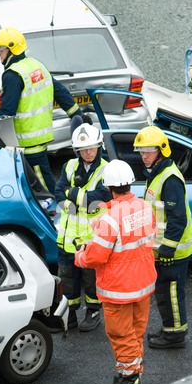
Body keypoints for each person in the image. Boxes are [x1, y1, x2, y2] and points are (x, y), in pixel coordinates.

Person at [75, 160, 157, 384]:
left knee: (122, 335)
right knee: (135, 332)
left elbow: (96, 257)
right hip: (143, 284)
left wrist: (80, 255)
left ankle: (130, 381)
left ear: (109, 188)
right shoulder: (145, 207)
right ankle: (129, 371)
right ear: (130, 183)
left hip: (119, 289)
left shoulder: (109, 219)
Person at [0, 27, 90, 194]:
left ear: (12, 49)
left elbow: (8, 110)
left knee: (42, 187)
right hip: (38, 137)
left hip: (28, 142)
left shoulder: (12, 75)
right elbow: (59, 91)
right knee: (36, 181)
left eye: (0, 49)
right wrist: (76, 113)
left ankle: (56, 212)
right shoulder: (36, 66)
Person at [133, 125, 192, 349]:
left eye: (149, 150)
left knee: (171, 291)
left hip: (174, 251)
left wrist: (168, 249)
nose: (144, 155)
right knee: (164, 291)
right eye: (141, 151)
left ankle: (175, 335)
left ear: (162, 150)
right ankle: (169, 326)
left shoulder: (169, 179)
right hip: (162, 249)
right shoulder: (156, 173)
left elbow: (177, 219)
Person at [55, 123, 112, 332]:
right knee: (67, 279)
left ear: (99, 146)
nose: (88, 152)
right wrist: (77, 201)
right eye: (83, 148)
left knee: (92, 280)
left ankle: (93, 312)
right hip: (68, 238)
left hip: (92, 238)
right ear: (77, 149)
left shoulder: (106, 169)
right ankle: (69, 316)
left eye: (92, 147)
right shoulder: (69, 166)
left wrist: (73, 195)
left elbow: (101, 198)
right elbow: (58, 193)